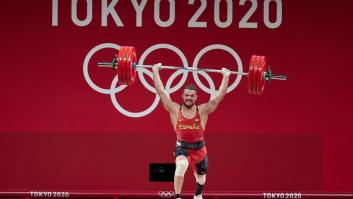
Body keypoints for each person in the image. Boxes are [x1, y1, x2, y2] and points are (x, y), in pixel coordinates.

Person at [152, 63, 230, 199]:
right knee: (181, 166)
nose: (189, 98)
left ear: (196, 97)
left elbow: (219, 97)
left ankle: (198, 195)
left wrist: (226, 76)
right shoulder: (175, 109)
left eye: (192, 96)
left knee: (201, 178)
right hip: (182, 148)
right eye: (187, 95)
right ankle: (177, 197)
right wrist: (155, 71)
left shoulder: (203, 110)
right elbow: (161, 92)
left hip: (200, 150)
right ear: (182, 96)